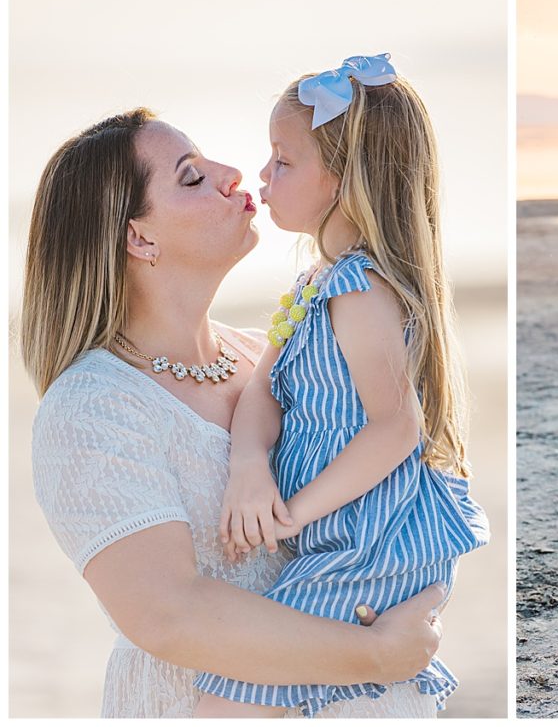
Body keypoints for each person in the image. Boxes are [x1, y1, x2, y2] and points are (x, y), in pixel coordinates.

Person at [25, 108, 447, 718]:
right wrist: (378, 654)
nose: (233, 175)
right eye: (191, 177)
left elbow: (392, 479)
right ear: (139, 238)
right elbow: (168, 614)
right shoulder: (92, 407)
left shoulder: (273, 354)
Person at [190, 54, 490, 718]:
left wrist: (294, 515)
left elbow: (396, 427)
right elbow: (264, 392)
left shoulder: (357, 292)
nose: (263, 175)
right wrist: (247, 466)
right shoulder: (314, 285)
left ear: (344, 181)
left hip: (368, 544)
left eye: (283, 161)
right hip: (341, 535)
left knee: (232, 697)